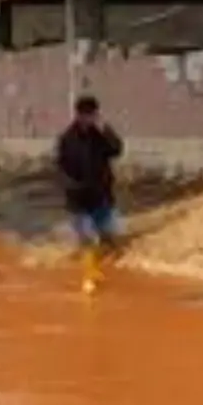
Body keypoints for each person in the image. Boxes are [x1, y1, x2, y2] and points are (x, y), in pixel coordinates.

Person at [54, 95, 124, 293]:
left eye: (93, 115)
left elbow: (117, 150)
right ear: (78, 116)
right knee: (88, 240)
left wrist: (107, 130)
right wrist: (71, 185)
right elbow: (60, 169)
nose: (90, 120)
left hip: (101, 196)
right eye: (86, 116)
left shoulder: (100, 135)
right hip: (78, 199)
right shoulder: (67, 140)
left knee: (109, 238)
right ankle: (90, 276)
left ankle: (99, 262)